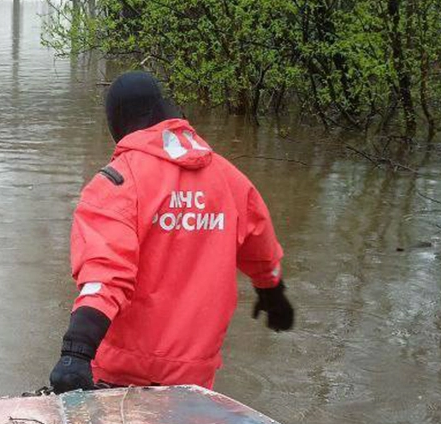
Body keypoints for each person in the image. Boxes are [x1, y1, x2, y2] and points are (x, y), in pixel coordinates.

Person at [47, 71, 293, 394]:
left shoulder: (116, 183)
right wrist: (271, 290)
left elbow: (104, 276)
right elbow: (261, 243)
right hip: (194, 379)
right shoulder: (229, 179)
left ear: (117, 124)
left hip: (120, 376)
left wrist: (75, 352)